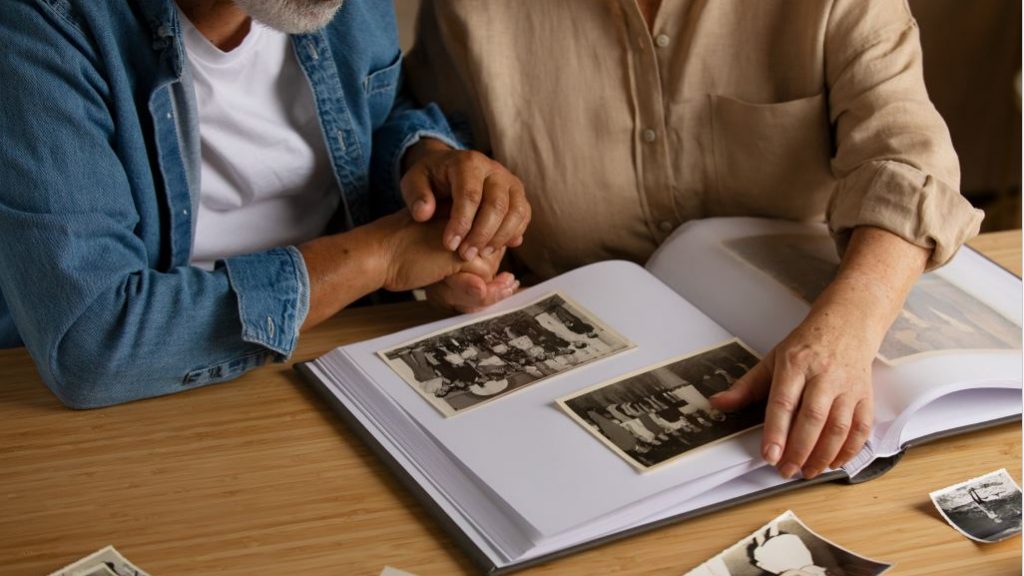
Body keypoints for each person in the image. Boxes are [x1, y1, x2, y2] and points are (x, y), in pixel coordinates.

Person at [407, 0, 984, 480]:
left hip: (801, 335)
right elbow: (425, 131)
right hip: (568, 382)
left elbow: (908, 156)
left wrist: (850, 323)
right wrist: (458, 220)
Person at [0, 0, 530, 408]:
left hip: (338, 358)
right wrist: (378, 258)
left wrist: (430, 172)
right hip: (143, 402)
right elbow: (93, 342)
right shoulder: (41, 25)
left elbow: (377, 112)